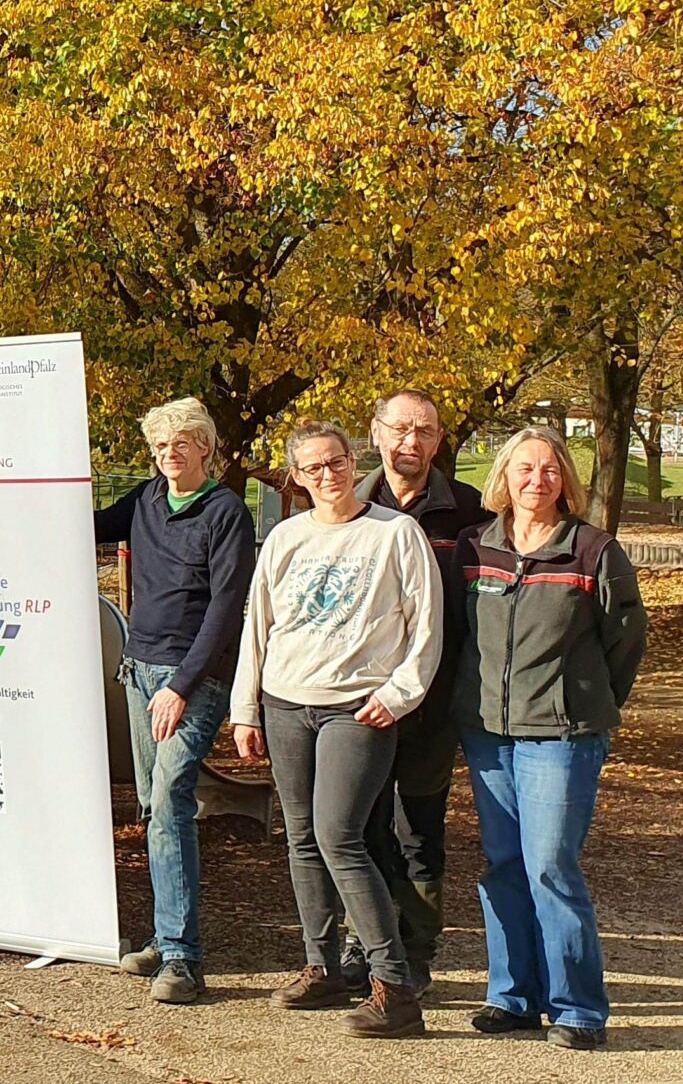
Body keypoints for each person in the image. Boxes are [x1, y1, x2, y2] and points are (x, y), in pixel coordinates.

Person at [231, 420, 442, 1038]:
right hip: (286, 703)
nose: (329, 476)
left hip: (357, 709)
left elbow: (426, 626)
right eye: (314, 468)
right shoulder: (284, 538)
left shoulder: (395, 534)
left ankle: (395, 988)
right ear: (296, 477)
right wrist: (247, 709)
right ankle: (322, 966)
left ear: (356, 463)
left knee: (339, 837)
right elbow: (258, 627)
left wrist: (399, 695)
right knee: (299, 837)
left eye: (338, 463)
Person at [452, 428, 647, 1051]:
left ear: (565, 479)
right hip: (487, 734)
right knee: (502, 865)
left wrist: (590, 700)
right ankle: (512, 998)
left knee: (550, 868)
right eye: (524, 469)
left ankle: (578, 1009)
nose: (537, 481)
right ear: (503, 478)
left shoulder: (592, 550)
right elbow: (457, 635)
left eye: (549, 470)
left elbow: (626, 638)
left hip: (561, 737)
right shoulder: (473, 547)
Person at [91, 398, 254, 1004]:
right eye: (160, 446)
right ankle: (165, 935)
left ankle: (183, 959)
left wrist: (181, 688)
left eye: (181, 444)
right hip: (138, 668)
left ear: (205, 449)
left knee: (170, 799)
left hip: (194, 677)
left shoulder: (225, 511)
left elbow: (224, 609)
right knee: (151, 806)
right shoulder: (146, 500)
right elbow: (85, 522)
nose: (169, 455)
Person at [346, 389, 493, 996]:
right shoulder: (347, 506)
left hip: (433, 705)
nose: (411, 442)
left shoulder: (472, 514)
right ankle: (367, 946)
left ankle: (416, 950)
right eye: (400, 429)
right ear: (376, 433)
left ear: (438, 442)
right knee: (361, 826)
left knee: (418, 830)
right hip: (357, 704)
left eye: (425, 431)